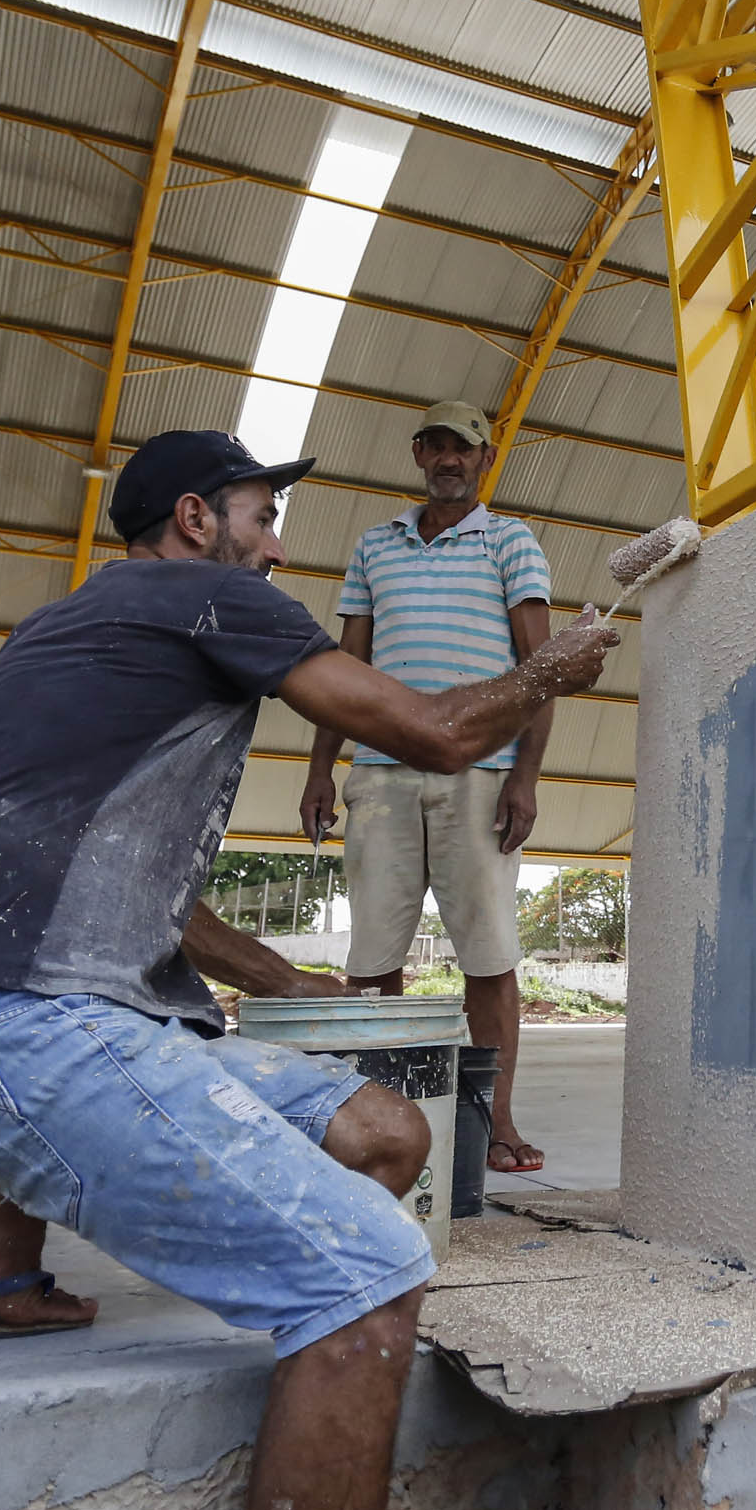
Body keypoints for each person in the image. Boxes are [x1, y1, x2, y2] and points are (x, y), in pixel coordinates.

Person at [0, 428, 614, 1510]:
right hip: (39, 1026)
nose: (277, 541)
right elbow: (442, 733)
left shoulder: (58, 634)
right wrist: (551, 666)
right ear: (198, 520)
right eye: (262, 514)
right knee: (367, 1272)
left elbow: (139, 884)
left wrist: (283, 975)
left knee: (384, 1134)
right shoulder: (202, 594)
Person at [299, 399, 558, 1174]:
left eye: (463, 448)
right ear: (417, 454)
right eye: (435, 446)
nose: (449, 459)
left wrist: (525, 775)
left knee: (488, 955)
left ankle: (497, 1122)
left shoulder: (511, 539)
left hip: (478, 775)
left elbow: (540, 669)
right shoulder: (375, 545)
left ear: (484, 459)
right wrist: (321, 766)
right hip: (378, 775)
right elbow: (345, 669)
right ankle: (376, 1122)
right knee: (373, 959)